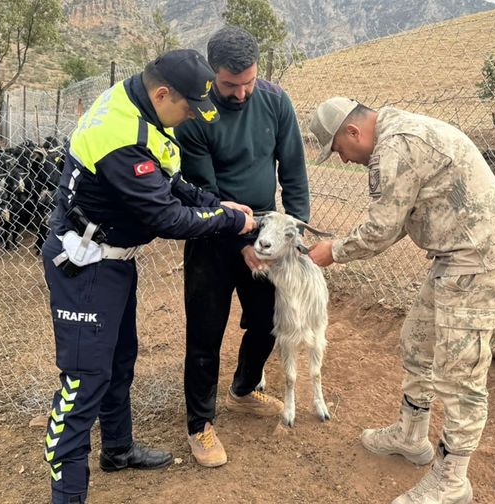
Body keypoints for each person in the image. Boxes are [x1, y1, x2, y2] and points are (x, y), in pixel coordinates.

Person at [41, 49, 256, 504]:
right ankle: (67, 496)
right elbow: (169, 218)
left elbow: (167, 178)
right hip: (86, 265)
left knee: (120, 361)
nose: (188, 119)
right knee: (82, 385)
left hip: (115, 260)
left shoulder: (138, 104)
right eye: (187, 108)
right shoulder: (120, 135)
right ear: (163, 94)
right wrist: (228, 220)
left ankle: (117, 450)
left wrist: (214, 202)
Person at [307, 97, 495, 504]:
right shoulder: (397, 133)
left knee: (459, 375)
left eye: (339, 150)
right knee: (418, 342)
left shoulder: (396, 145)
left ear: (353, 132)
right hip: (457, 256)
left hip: (482, 260)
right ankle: (412, 435)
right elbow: (393, 222)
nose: (342, 160)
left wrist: (333, 251)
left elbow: (381, 229)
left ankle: (451, 479)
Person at [175, 26, 309, 467]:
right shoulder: (195, 113)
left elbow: (293, 173)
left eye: (248, 81)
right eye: (231, 85)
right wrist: (239, 244)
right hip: (212, 236)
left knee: (272, 319)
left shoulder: (275, 101)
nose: (241, 92)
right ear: (213, 74)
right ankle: (200, 425)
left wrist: (295, 236)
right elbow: (202, 191)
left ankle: (244, 389)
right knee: (205, 333)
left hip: (266, 235)